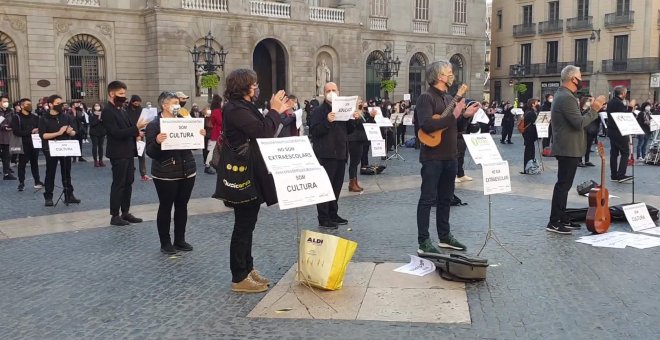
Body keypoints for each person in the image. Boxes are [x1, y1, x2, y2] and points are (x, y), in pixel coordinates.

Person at [220, 68, 291, 293]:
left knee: (248, 225)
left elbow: (267, 129)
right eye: (253, 84)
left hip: (253, 171)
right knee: (242, 226)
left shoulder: (245, 106)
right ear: (243, 86)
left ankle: (248, 269)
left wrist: (278, 113)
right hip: (242, 173)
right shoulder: (234, 108)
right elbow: (262, 132)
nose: (256, 87)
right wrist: (273, 110)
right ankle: (239, 277)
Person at [415, 60, 479, 255]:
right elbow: (426, 125)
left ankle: (444, 236)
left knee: (446, 198)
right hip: (432, 157)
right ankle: (423, 240)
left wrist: (466, 115)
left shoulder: (449, 97)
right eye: (449, 72)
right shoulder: (426, 98)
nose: (452, 75)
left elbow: (457, 128)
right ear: (439, 76)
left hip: (450, 156)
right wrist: (454, 115)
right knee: (427, 199)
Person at [547, 65, 604, 234]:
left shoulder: (565, 95)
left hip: (568, 147)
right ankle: (554, 221)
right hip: (567, 148)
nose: (582, 79)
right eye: (580, 76)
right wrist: (595, 109)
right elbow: (579, 123)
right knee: (563, 186)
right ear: (573, 79)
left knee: (565, 185)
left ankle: (562, 217)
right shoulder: (566, 97)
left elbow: (575, 119)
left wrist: (587, 110)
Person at [146, 91, 205, 254]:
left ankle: (180, 240)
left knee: (182, 206)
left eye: (178, 103)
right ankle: (165, 242)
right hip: (165, 173)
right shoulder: (154, 125)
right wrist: (158, 141)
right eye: (174, 103)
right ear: (164, 105)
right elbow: (150, 152)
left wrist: (199, 136)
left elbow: (192, 145)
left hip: (187, 170)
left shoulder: (184, 120)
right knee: (166, 207)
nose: (178, 106)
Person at [310, 82, 361, 229]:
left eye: (334, 90)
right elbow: (314, 131)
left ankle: (333, 213)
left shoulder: (342, 109)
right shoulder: (319, 111)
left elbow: (349, 130)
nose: (331, 92)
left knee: (336, 187)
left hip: (340, 153)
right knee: (325, 188)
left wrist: (354, 119)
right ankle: (323, 217)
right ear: (324, 93)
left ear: (338, 92)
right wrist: (327, 121)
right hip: (326, 154)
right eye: (328, 90)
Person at [102, 81, 147, 226]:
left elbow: (129, 128)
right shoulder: (108, 111)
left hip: (128, 151)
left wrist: (137, 133)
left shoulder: (122, 110)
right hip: (117, 152)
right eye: (120, 94)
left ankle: (125, 212)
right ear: (112, 94)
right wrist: (136, 129)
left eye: (124, 94)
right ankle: (114, 215)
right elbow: (115, 133)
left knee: (128, 182)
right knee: (119, 183)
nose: (123, 97)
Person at [38, 95, 80, 206]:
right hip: (51, 148)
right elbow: (43, 135)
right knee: (50, 172)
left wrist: (71, 132)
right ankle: (48, 196)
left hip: (65, 147)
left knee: (66, 172)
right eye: (57, 103)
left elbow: (75, 132)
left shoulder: (66, 117)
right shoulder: (44, 118)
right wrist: (58, 133)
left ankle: (69, 195)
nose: (60, 105)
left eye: (61, 103)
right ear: (50, 104)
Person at [11, 98, 43, 191]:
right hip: (23, 144)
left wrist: (37, 130)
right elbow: (16, 131)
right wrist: (30, 131)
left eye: (30, 104)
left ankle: (37, 181)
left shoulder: (34, 117)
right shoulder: (16, 117)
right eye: (27, 104)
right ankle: (21, 183)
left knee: (35, 163)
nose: (29, 106)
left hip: (34, 143)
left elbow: (39, 128)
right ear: (21, 106)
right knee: (22, 164)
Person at [606, 86, 633, 182]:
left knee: (614, 153)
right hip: (619, 131)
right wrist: (630, 107)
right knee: (625, 152)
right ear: (623, 94)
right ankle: (621, 175)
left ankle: (614, 175)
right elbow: (625, 117)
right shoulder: (619, 103)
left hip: (611, 131)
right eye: (625, 93)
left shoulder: (611, 102)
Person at [346, 98, 373, 192]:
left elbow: (367, 124)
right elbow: (354, 126)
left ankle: (355, 181)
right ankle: (352, 183)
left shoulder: (362, 113)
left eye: (362, 102)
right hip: (354, 140)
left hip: (360, 139)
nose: (361, 103)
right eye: (359, 102)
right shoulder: (353, 113)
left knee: (356, 162)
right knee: (354, 162)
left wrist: (371, 117)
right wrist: (356, 119)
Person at [126, 95, 150, 181]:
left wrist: (141, 134)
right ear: (132, 102)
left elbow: (145, 122)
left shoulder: (142, 110)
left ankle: (143, 174)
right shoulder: (126, 111)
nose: (137, 103)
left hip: (140, 135)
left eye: (139, 102)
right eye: (135, 102)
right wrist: (136, 133)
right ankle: (130, 171)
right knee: (129, 155)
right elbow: (128, 124)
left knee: (141, 155)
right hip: (130, 136)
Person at [578, 96, 599, 167]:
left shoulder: (591, 109)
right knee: (582, 145)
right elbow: (583, 115)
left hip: (591, 129)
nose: (589, 103)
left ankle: (587, 160)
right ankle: (579, 161)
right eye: (588, 101)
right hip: (584, 129)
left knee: (588, 146)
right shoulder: (581, 109)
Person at [0, 95, 17, 180]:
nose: (6, 103)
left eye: (7, 101)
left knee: (7, 156)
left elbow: (14, 121)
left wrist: (11, 126)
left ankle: (7, 173)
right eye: (4, 101)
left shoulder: (11, 111)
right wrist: (3, 127)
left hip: (7, 137)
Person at [521, 98, 539, 173]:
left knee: (530, 151)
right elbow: (535, 122)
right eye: (536, 103)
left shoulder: (528, 111)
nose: (538, 104)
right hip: (529, 134)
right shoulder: (531, 113)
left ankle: (529, 167)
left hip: (528, 134)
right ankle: (528, 168)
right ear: (533, 104)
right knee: (529, 152)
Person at [207, 94, 223, 175]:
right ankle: (208, 165)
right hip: (217, 132)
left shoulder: (214, 110)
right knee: (213, 150)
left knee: (213, 149)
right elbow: (220, 121)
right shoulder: (217, 111)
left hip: (216, 131)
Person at [89, 103, 107, 167]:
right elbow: (91, 123)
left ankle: (101, 160)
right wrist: (98, 119)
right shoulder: (91, 114)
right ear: (94, 107)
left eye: (98, 105)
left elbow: (106, 122)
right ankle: (95, 161)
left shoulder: (103, 114)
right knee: (95, 146)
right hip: (94, 133)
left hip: (102, 132)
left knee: (101, 147)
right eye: (96, 106)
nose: (97, 107)